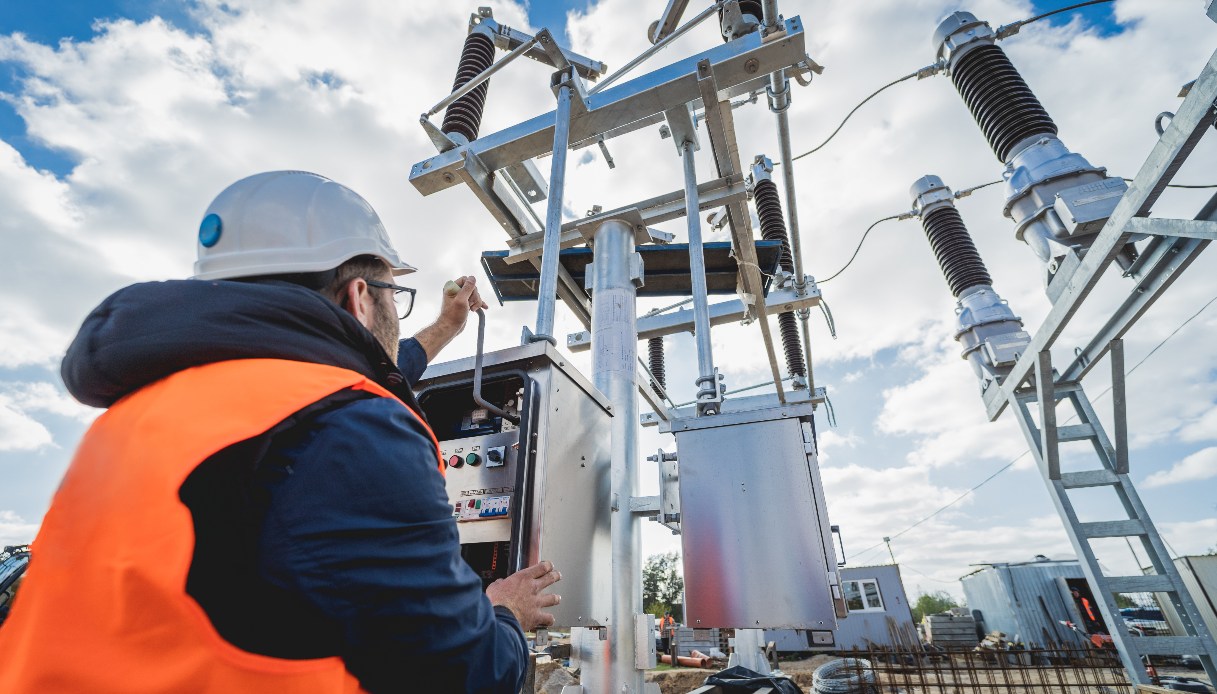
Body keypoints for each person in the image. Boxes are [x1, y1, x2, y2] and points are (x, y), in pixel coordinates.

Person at [0, 171, 560, 693]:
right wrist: (503, 612)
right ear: (359, 297)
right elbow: (458, 671)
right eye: (395, 296)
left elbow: (366, 365)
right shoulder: (351, 426)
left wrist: (446, 327)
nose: (395, 312)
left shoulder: (142, 414)